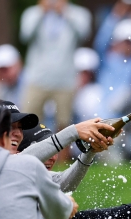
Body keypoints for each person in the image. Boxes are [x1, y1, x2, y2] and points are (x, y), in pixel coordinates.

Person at [0, 101, 76, 219]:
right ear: (2, 137)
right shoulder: (27, 167)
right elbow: (59, 214)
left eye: (20, 128)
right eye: (10, 128)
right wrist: (75, 132)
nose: (17, 134)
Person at [20, 0, 91, 131]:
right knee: (28, 123)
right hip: (36, 79)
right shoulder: (32, 13)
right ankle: (30, 152)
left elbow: (84, 34)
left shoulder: (79, 13)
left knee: (65, 128)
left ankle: (62, 153)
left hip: (65, 80)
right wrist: (41, 12)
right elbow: (25, 35)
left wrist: (66, 12)